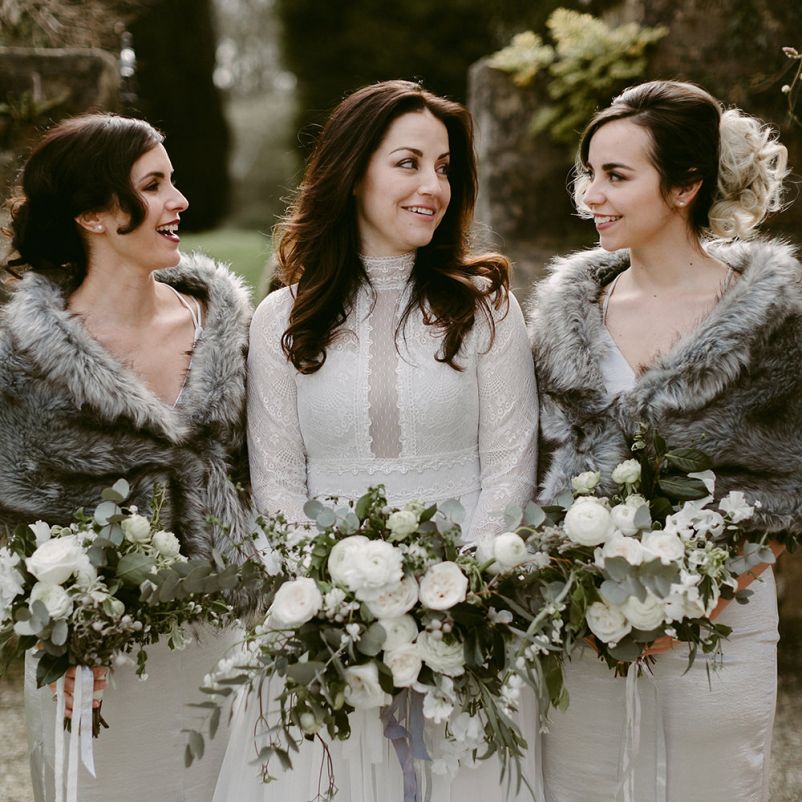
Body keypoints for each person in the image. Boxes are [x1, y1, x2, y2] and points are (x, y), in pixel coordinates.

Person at [214, 80, 539, 801]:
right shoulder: (281, 320)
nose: (434, 186)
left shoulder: (487, 307)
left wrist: (458, 594)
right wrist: (332, 601)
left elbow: (512, 464)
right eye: (409, 163)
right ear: (354, 169)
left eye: (446, 167)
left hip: (467, 611)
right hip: (324, 623)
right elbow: (276, 482)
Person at [527, 80, 801, 801]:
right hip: (583, 629)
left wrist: (685, 603)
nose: (592, 194)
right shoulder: (564, 319)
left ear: (684, 187)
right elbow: (540, 466)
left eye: (617, 176)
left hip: (724, 624)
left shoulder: (774, 319)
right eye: (589, 172)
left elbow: (786, 482)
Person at [0, 114, 255, 802]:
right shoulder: (17, 356)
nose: (180, 202)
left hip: (232, 639)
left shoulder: (226, 327)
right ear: (93, 213)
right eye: (154, 185)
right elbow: (14, 524)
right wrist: (64, 627)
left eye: (172, 181)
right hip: (97, 661)